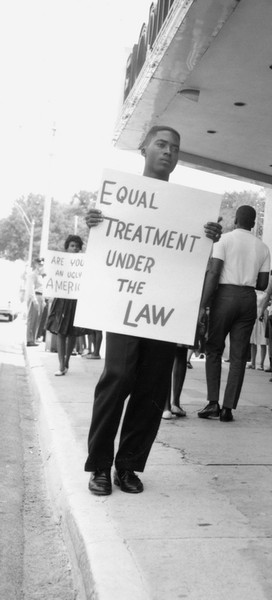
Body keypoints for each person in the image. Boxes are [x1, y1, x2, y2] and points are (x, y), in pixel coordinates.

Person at [84, 125, 222, 495]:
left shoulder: (191, 211)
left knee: (151, 388)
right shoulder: (119, 199)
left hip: (165, 312)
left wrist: (206, 238)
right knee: (117, 377)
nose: (168, 152)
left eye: (175, 148)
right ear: (143, 149)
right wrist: (94, 225)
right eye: (161, 144)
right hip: (124, 307)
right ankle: (99, 465)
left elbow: (187, 260)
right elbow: (105, 252)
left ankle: (127, 466)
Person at [197, 205, 271, 422]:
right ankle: (228, 408)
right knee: (239, 356)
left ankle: (212, 403)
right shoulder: (263, 247)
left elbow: (214, 272)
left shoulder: (224, 240)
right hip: (247, 299)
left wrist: (203, 304)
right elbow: (264, 283)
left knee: (214, 349)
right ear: (254, 223)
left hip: (224, 297)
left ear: (236, 219)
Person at [46, 235, 86, 376]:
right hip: (61, 300)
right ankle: (61, 365)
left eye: (77, 246)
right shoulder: (59, 262)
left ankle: (67, 360)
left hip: (75, 301)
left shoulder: (83, 263)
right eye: (72, 246)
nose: (74, 248)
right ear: (67, 247)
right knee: (61, 332)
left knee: (72, 333)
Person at [25, 257, 45, 346]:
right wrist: (34, 300)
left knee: (38, 319)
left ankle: (34, 338)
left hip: (41, 296)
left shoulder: (41, 275)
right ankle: (29, 340)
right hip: (35, 296)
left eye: (42, 264)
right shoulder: (32, 275)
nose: (40, 265)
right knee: (32, 319)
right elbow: (31, 288)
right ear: (35, 264)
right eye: (39, 264)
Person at [247, 290, 268, 370]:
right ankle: (253, 363)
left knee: (263, 341)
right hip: (253, 314)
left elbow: (269, 301)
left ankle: (261, 364)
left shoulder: (266, 292)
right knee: (252, 341)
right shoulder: (253, 292)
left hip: (262, 314)